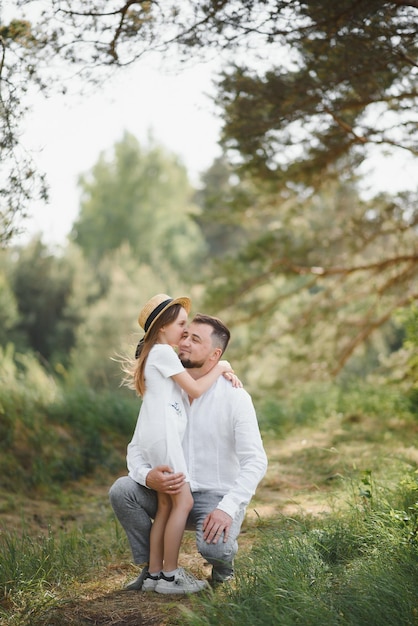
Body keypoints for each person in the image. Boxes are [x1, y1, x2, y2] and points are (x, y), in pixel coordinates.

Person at [109, 312, 268, 593]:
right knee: (123, 490)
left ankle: (222, 568)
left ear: (214, 354)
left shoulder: (234, 397)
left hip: (213, 498)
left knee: (215, 547)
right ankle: (154, 571)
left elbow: (255, 461)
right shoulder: (167, 389)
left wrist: (226, 509)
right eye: (184, 335)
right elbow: (137, 447)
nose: (184, 343)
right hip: (171, 492)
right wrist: (148, 477)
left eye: (195, 339)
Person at [119, 294, 235, 595]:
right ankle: (171, 577)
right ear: (162, 327)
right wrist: (221, 368)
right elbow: (195, 387)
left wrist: (218, 366)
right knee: (183, 502)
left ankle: (156, 574)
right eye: (181, 324)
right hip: (166, 436)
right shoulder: (163, 352)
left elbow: (190, 379)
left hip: (156, 436)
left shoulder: (156, 354)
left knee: (165, 505)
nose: (184, 332)